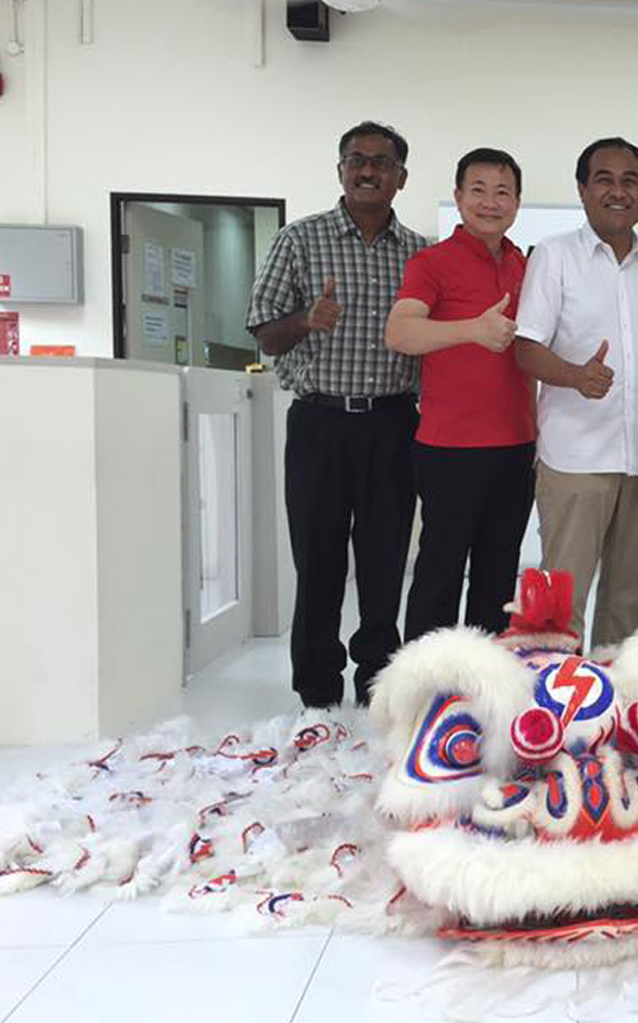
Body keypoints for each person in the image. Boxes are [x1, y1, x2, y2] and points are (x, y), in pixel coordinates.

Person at [246, 121, 426, 709]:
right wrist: (306, 319)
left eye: (381, 162)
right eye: (356, 159)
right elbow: (264, 333)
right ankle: (317, 689)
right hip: (319, 425)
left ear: (401, 177)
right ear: (341, 170)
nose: (368, 170)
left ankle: (378, 681)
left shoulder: (420, 254)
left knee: (384, 561)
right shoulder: (300, 239)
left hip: (394, 425)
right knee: (318, 560)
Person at [513, 138, 638, 650]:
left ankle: (614, 694)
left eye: (630, 180)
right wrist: (574, 375)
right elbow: (525, 348)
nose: (618, 191)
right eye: (604, 179)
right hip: (575, 458)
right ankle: (555, 696)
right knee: (560, 601)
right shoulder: (555, 256)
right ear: (583, 189)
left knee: (630, 599)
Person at [386, 147, 536, 641]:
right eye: (479, 190)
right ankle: (426, 684)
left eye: (503, 192)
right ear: (458, 197)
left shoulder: (524, 264)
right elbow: (400, 332)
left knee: (498, 579)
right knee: (439, 576)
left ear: (516, 202)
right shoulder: (432, 262)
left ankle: (485, 681)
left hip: (516, 447)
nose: (490, 202)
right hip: (449, 449)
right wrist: (472, 329)